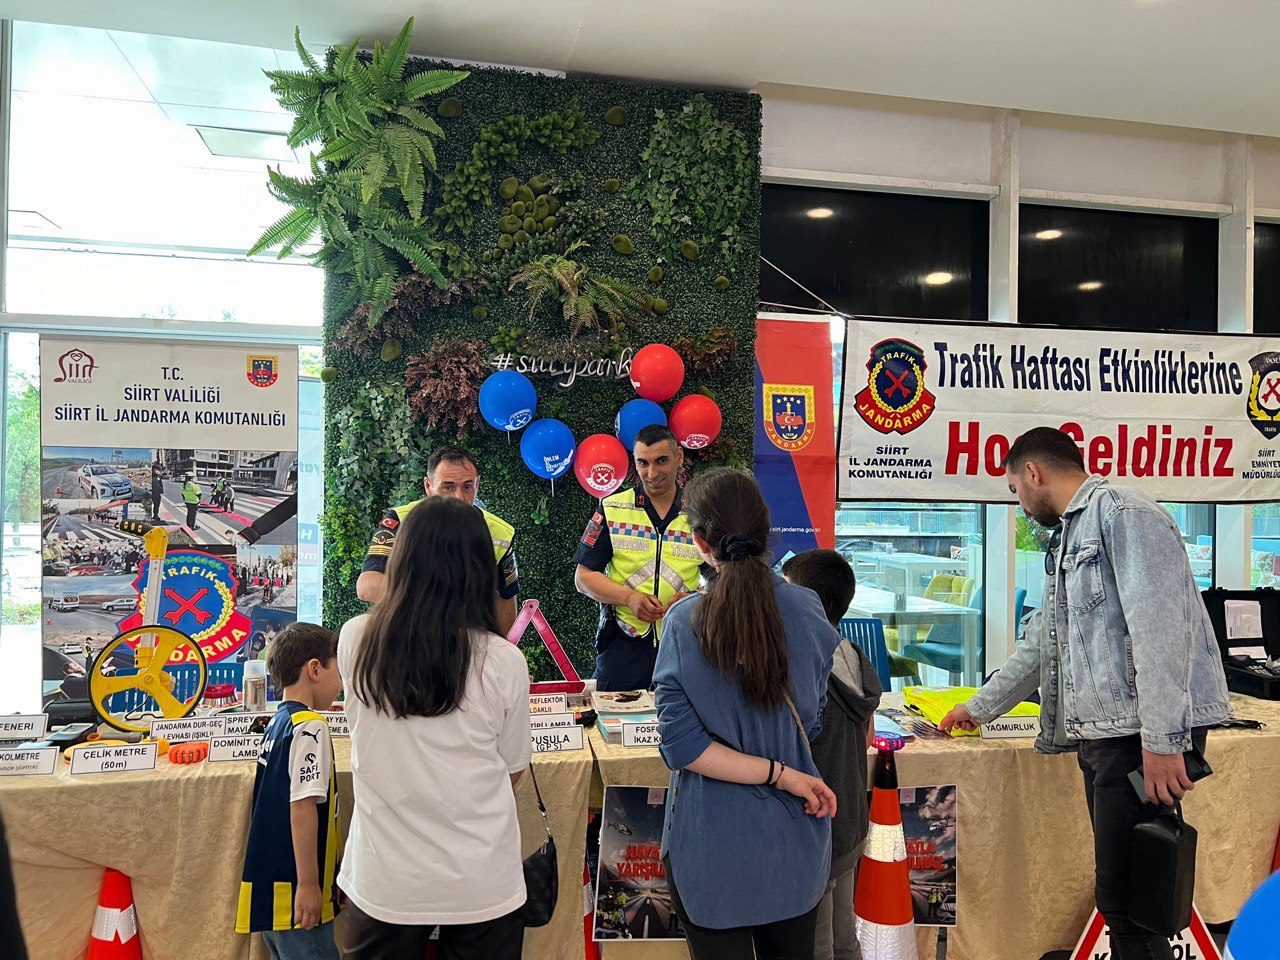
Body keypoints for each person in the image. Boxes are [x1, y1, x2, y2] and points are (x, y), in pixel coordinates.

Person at [939, 427, 1231, 960]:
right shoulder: (1072, 536)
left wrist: (1164, 743)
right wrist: (978, 708)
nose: (1020, 503)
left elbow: (1161, 631)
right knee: (1123, 898)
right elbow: (1039, 647)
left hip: (1138, 737)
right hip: (1107, 736)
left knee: (1132, 903)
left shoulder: (1124, 514)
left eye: (1013, 489)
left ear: (1033, 473)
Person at [653, 468, 839, 960]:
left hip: (711, 846)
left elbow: (683, 748)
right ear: (765, 533)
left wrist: (776, 774)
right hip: (795, 837)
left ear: (699, 541)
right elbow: (813, 721)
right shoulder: (807, 609)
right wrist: (783, 770)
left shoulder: (681, 621)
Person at [337, 496, 531, 960]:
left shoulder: (354, 639)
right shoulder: (503, 661)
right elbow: (512, 772)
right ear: (479, 568)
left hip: (384, 880)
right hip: (481, 880)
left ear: (401, 557)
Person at [781, 549, 882, 960]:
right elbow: (866, 737)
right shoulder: (853, 654)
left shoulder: (802, 665)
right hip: (849, 819)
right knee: (843, 939)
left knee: (816, 947)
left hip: (813, 823)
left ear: (803, 603)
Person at [236, 622, 344, 960]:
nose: (342, 687)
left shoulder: (279, 722)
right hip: (299, 898)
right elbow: (301, 808)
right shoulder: (310, 726)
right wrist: (311, 885)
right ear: (315, 669)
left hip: (276, 899)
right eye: (339, 673)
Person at [574, 424, 702, 691]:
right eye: (643, 463)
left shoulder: (702, 512)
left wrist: (696, 599)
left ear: (679, 456)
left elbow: (724, 579)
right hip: (622, 647)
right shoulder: (612, 507)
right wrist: (629, 598)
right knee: (615, 730)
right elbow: (583, 578)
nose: (652, 473)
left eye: (661, 461)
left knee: (682, 731)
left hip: (685, 645)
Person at [355, 445, 520, 633]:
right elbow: (367, 586)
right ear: (428, 486)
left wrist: (497, 649)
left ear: (477, 484)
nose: (459, 497)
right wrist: (434, 601)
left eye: (467, 486)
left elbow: (506, 598)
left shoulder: (500, 532)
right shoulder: (400, 520)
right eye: (448, 487)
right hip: (407, 638)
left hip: (468, 641)